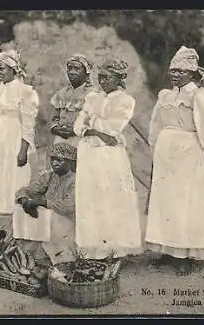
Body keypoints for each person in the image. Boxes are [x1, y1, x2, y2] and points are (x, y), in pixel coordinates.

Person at [145, 46, 204, 276]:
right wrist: (156, 146)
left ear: (192, 73)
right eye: (173, 70)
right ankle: (167, 249)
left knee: (186, 202)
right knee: (166, 202)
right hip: (166, 152)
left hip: (188, 152)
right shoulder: (165, 95)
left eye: (181, 71)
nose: (175, 74)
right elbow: (156, 124)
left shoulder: (198, 95)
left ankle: (184, 255)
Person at [73, 57, 143, 260]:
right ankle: (92, 248)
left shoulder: (126, 101)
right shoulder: (92, 97)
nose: (102, 81)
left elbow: (114, 128)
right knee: (89, 197)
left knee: (110, 197)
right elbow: (77, 127)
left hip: (109, 156)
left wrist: (91, 123)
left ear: (119, 78)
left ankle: (114, 249)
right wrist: (94, 130)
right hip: (88, 152)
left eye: (107, 78)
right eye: (100, 77)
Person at [0, 50, 39, 235]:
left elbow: (28, 123)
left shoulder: (25, 91)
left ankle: (12, 227)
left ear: (13, 69)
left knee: (11, 177)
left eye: (2, 68)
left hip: (12, 137)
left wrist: (23, 149)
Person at [13, 142, 77, 265]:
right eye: (52, 159)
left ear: (70, 162)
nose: (54, 163)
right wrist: (25, 201)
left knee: (50, 215)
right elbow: (25, 190)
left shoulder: (75, 180)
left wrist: (40, 202)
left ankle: (55, 257)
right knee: (19, 209)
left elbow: (68, 206)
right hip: (49, 219)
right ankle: (29, 253)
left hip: (67, 222)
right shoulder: (49, 176)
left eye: (59, 160)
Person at [49, 54, 94, 148]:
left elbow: (95, 123)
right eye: (70, 68)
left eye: (77, 69)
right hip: (61, 141)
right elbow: (55, 117)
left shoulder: (93, 95)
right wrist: (56, 128)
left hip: (83, 142)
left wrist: (75, 130)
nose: (72, 72)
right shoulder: (61, 94)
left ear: (86, 72)